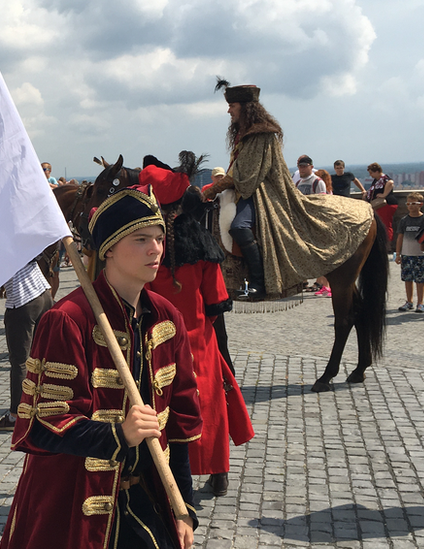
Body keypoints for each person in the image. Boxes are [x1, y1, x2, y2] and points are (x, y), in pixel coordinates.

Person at [0, 188, 201, 549]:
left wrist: (183, 506)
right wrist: (118, 435)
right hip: (72, 508)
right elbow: (41, 427)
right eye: (140, 239)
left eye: (158, 238)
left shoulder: (167, 318)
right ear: (108, 249)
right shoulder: (67, 320)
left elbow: (182, 421)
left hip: (149, 499)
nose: (155, 249)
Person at [140, 157, 254, 499]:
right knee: (210, 402)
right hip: (199, 339)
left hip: (158, 339)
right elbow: (216, 302)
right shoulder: (204, 247)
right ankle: (218, 471)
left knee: (161, 405)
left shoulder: (145, 250)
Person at [203, 80, 374, 301]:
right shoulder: (244, 133)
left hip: (261, 191)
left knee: (239, 226)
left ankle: (258, 283)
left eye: (232, 106)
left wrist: (207, 191)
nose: (229, 110)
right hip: (245, 190)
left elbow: (243, 174)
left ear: (245, 108)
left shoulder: (261, 134)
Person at [0, 261, 53, 432]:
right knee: (42, 356)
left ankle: (16, 415)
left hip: (22, 299)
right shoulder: (19, 235)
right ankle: (44, 405)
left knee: (20, 362)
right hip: (43, 293)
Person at [395, 192, 424, 313]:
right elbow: (400, 237)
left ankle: (420, 302)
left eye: (413, 203)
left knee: (420, 279)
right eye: (408, 203)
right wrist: (398, 253)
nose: (410, 206)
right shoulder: (404, 220)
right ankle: (409, 301)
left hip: (419, 254)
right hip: (406, 253)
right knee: (407, 278)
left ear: (420, 204)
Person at [365, 162, 397, 241]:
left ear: (377, 171)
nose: (371, 175)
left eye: (371, 173)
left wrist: (384, 194)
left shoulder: (384, 178)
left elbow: (390, 182)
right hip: (379, 205)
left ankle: (387, 243)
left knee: (385, 224)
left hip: (385, 204)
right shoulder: (376, 180)